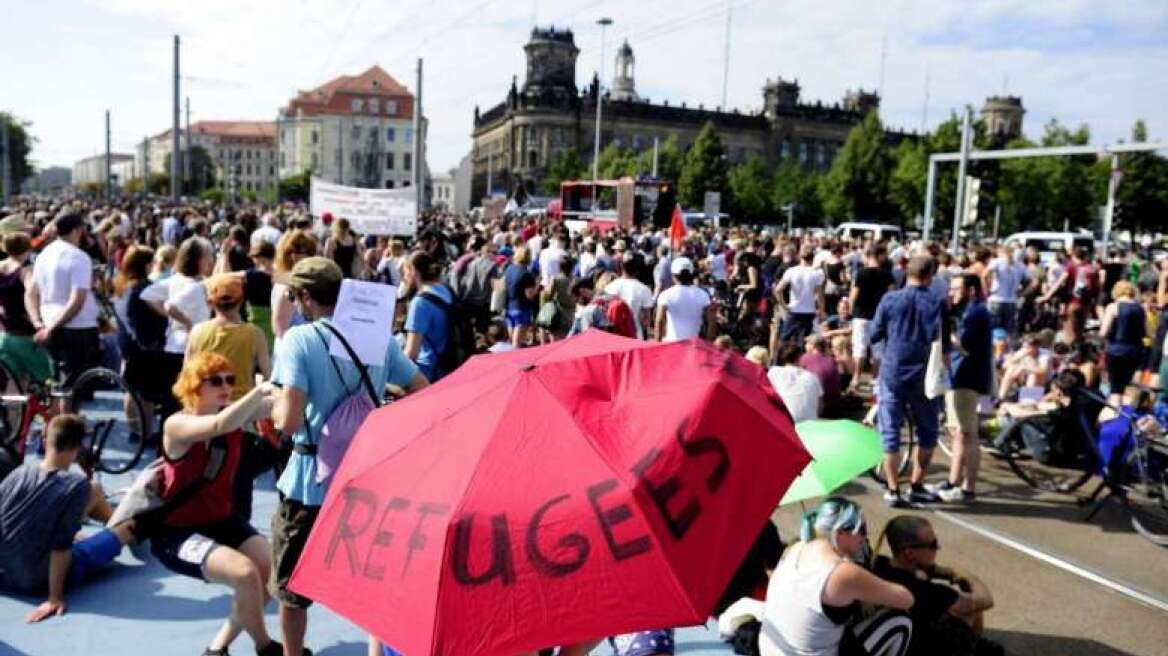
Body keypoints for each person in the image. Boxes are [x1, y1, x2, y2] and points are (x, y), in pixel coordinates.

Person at [269, 257, 429, 656]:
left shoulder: (298, 340)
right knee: (376, 584)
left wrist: (270, 401)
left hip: (310, 483)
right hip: (368, 481)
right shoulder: (377, 338)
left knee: (291, 590)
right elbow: (423, 389)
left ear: (306, 298)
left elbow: (288, 422)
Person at [152, 352, 283, 656]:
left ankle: (217, 648)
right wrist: (259, 389)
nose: (225, 386)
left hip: (221, 520)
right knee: (245, 574)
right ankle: (265, 647)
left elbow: (278, 404)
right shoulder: (177, 424)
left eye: (230, 379)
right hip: (177, 531)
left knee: (270, 570)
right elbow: (219, 425)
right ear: (193, 386)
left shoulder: (233, 416)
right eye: (215, 381)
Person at [0, 415, 136, 623]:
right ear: (77, 448)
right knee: (129, 527)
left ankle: (109, 523)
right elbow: (60, 547)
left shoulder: (18, 472)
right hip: (37, 581)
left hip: (4, 576)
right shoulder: (75, 485)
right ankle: (116, 527)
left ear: (46, 441)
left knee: (95, 490)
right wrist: (54, 598)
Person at [759, 498, 913, 656]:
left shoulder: (795, 548)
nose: (865, 536)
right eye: (861, 529)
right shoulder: (841, 572)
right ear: (840, 532)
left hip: (772, 649)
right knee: (900, 622)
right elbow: (906, 599)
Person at [869, 256, 947, 508]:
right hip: (924, 374)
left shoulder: (890, 299)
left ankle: (893, 488)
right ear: (930, 276)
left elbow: (875, 334)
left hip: (893, 370)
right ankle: (916, 485)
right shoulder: (937, 302)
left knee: (890, 433)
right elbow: (943, 339)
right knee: (928, 432)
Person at [871, 516, 998, 656]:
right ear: (910, 552)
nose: (938, 547)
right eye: (932, 545)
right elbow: (985, 600)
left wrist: (939, 572)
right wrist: (965, 575)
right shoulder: (924, 591)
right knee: (971, 609)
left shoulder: (878, 564)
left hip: (893, 639)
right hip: (918, 646)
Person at [25, 211, 102, 385]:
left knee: (59, 383)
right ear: (76, 230)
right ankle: (66, 413)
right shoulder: (79, 257)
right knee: (74, 386)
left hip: (49, 323)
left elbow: (31, 293)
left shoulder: (44, 254)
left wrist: (38, 322)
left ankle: (61, 412)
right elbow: (77, 300)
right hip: (77, 328)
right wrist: (49, 327)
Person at [936, 274, 992, 503]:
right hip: (963, 376)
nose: (952, 293)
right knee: (961, 433)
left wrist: (944, 332)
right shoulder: (974, 311)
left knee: (966, 433)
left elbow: (964, 346)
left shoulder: (975, 313)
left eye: (957, 288)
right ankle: (953, 481)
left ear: (970, 290)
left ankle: (967, 488)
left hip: (966, 377)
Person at [0, 231, 53, 386]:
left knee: (14, 384)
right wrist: (38, 322)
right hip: (27, 336)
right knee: (47, 382)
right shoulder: (26, 271)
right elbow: (31, 294)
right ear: (28, 250)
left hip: (6, 336)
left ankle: (18, 411)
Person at [402, 250, 454, 382]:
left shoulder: (420, 303)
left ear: (413, 271)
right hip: (451, 366)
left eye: (405, 272)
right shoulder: (446, 291)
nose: (404, 276)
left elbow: (411, 354)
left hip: (428, 373)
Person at [847, 247, 893, 394]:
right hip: (878, 316)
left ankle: (856, 379)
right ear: (878, 257)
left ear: (868, 256)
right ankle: (875, 380)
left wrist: (850, 310)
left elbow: (853, 295)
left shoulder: (861, 273)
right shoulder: (887, 275)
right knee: (877, 350)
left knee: (859, 348)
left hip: (860, 315)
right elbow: (891, 295)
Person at [1100, 280, 1146, 397]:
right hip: (1135, 352)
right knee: (1126, 386)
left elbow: (1103, 332)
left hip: (1116, 351)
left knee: (1115, 389)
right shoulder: (1140, 309)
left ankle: (1112, 410)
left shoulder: (1113, 307)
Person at [271, 230, 318, 345]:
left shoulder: (288, 281)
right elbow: (279, 328)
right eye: (308, 253)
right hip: (293, 351)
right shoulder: (289, 288)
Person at [655, 257, 714, 342]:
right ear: (691, 274)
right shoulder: (703, 295)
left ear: (673, 275)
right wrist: (708, 344)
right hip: (694, 347)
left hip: (672, 344)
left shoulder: (665, 295)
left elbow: (659, 321)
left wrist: (658, 343)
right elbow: (711, 321)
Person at [775, 246, 825, 344]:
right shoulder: (817, 273)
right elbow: (820, 295)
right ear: (813, 258)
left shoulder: (791, 271)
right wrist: (822, 311)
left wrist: (783, 305)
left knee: (785, 339)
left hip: (794, 309)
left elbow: (778, 290)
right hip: (809, 311)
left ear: (800, 256)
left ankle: (780, 358)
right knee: (805, 341)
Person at [767, 342, 823, 422]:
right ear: (799, 357)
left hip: (785, 423)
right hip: (810, 424)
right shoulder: (813, 377)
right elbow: (820, 408)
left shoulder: (774, 372)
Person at [606, 252, 655, 339]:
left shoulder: (610, 287)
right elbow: (646, 321)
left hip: (613, 337)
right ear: (638, 268)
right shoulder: (644, 290)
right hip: (635, 337)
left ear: (621, 266)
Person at [986, 245, 1029, 338]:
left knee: (993, 329)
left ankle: (993, 349)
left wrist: (987, 289)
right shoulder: (1021, 265)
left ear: (1001, 252)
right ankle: (1007, 349)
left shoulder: (997, 262)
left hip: (996, 298)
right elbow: (1035, 282)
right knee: (1009, 330)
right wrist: (1023, 293)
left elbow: (985, 274)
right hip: (1012, 300)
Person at [504, 246, 539, 348]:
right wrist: (537, 285)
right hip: (522, 309)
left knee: (512, 341)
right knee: (517, 343)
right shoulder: (526, 274)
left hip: (509, 307)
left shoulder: (509, 269)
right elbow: (530, 295)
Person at [800, 335, 842, 417]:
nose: (805, 346)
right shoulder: (831, 359)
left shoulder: (805, 358)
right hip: (834, 405)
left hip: (818, 407)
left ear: (814, 346)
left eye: (807, 343)